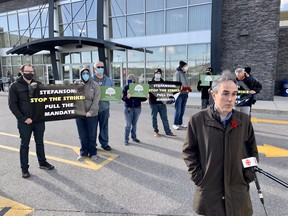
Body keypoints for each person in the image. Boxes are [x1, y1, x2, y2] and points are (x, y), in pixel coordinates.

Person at [183, 71, 259, 216]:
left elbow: (251, 151)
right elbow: (189, 152)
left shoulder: (244, 121)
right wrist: (199, 178)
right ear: (214, 95)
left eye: (234, 94)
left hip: (238, 191)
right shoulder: (197, 120)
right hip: (209, 191)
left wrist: (248, 176)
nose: (230, 99)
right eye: (225, 93)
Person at [8, 64, 54, 178]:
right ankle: (24, 169)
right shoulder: (15, 86)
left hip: (38, 120)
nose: (30, 73)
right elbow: (12, 105)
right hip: (24, 122)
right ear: (22, 72)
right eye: (27, 71)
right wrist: (23, 119)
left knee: (40, 142)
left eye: (32, 71)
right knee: (25, 145)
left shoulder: (38, 84)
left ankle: (42, 162)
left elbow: (45, 100)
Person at [75, 66, 100, 161]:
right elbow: (71, 98)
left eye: (87, 73)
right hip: (79, 114)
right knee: (82, 135)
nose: (85, 75)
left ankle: (93, 152)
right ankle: (83, 152)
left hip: (92, 115)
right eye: (83, 73)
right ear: (81, 74)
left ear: (90, 74)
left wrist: (91, 112)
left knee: (92, 135)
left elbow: (96, 101)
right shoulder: (76, 84)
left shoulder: (95, 85)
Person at [148, 69, 176, 137]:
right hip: (153, 103)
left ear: (161, 74)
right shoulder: (150, 83)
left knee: (164, 118)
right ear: (154, 74)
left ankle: (168, 131)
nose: (158, 74)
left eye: (159, 73)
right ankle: (156, 131)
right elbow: (147, 92)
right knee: (154, 118)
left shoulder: (164, 82)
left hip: (162, 103)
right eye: (156, 73)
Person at [93, 61, 113, 151]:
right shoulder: (90, 80)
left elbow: (113, 93)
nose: (100, 68)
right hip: (93, 108)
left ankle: (104, 143)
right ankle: (93, 144)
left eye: (102, 67)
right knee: (92, 128)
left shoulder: (109, 80)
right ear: (95, 69)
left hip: (105, 108)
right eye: (98, 67)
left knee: (104, 127)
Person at [122, 74, 147, 145]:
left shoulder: (139, 87)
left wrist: (145, 96)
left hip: (137, 108)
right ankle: (126, 139)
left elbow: (143, 99)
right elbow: (123, 98)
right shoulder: (126, 87)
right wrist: (127, 97)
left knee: (134, 124)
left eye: (130, 78)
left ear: (134, 79)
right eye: (128, 79)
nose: (129, 80)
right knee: (128, 125)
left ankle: (134, 137)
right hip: (128, 108)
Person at [172, 60, 192, 130]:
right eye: (185, 66)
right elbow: (176, 84)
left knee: (182, 110)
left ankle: (180, 123)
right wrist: (181, 88)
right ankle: (175, 123)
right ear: (182, 66)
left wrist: (188, 89)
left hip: (185, 94)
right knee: (178, 109)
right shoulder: (177, 73)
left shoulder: (184, 74)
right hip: (179, 94)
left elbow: (186, 83)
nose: (186, 67)